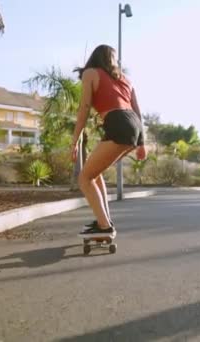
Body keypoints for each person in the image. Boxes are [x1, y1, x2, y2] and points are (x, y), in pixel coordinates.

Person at [71, 44, 146, 238]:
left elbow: (85, 108)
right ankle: (104, 220)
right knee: (94, 174)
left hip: (118, 122)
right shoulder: (126, 80)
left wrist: (75, 139)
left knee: (84, 178)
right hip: (133, 126)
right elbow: (137, 112)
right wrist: (142, 143)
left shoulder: (90, 74)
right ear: (112, 60)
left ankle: (104, 227)